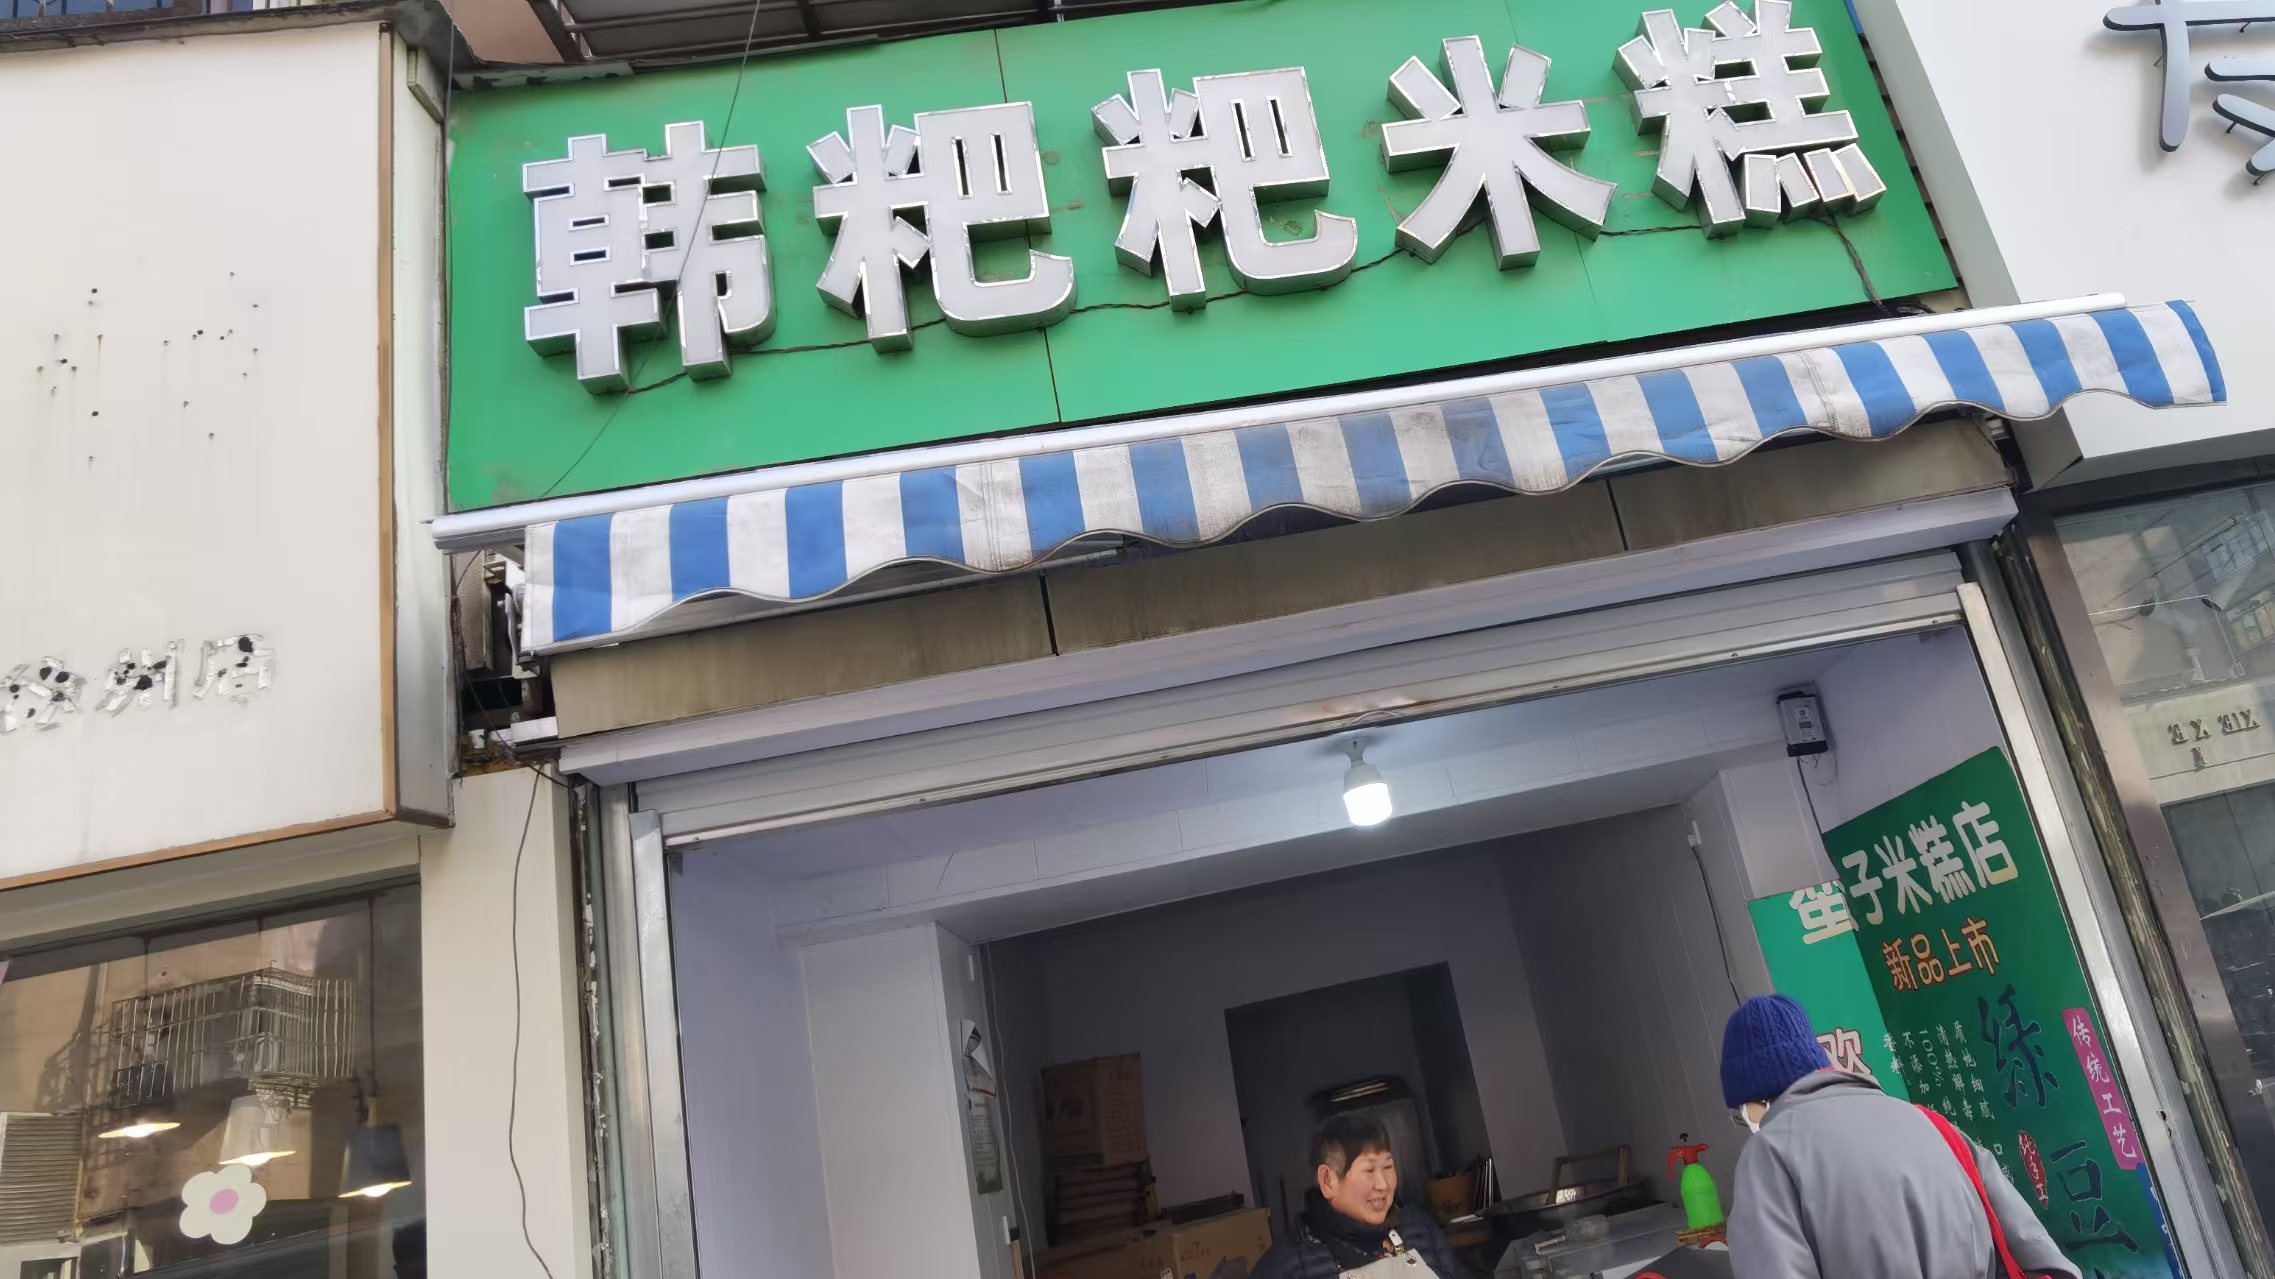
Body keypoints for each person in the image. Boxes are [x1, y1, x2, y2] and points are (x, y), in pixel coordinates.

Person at [1718, 994, 2080, 1279]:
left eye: (1742, 1111)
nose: (1746, 1120)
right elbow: (2030, 1240)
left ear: (1758, 1097)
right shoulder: (1929, 1122)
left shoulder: (1768, 1154)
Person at [1252, 1114, 1474, 1279]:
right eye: (1369, 1170)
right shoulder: (1291, 1265)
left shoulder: (1420, 1229)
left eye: (1388, 1167)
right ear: (1328, 1181)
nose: (1383, 1185)